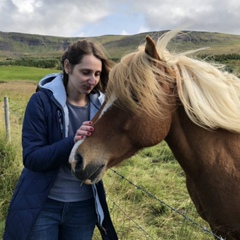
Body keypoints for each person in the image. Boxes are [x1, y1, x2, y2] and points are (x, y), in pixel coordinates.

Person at [3, 39, 118, 240]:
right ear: (67, 67)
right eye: (86, 72)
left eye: (97, 74)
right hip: (42, 205)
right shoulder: (41, 102)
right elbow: (32, 158)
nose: (92, 79)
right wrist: (73, 142)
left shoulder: (102, 108)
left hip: (84, 207)